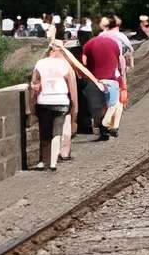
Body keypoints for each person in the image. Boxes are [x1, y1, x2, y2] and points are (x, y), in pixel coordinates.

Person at [28, 37, 97, 172]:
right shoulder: (65, 65)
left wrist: (32, 105)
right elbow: (72, 89)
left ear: (49, 51)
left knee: (45, 133)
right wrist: (74, 108)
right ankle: (53, 163)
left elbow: (34, 86)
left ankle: (44, 161)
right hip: (61, 102)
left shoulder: (40, 63)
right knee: (57, 133)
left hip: (44, 101)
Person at [81, 16, 127, 142]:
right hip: (112, 79)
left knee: (98, 107)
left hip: (95, 80)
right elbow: (119, 62)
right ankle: (111, 127)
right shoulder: (114, 43)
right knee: (115, 104)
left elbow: (84, 63)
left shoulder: (88, 45)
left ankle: (103, 131)